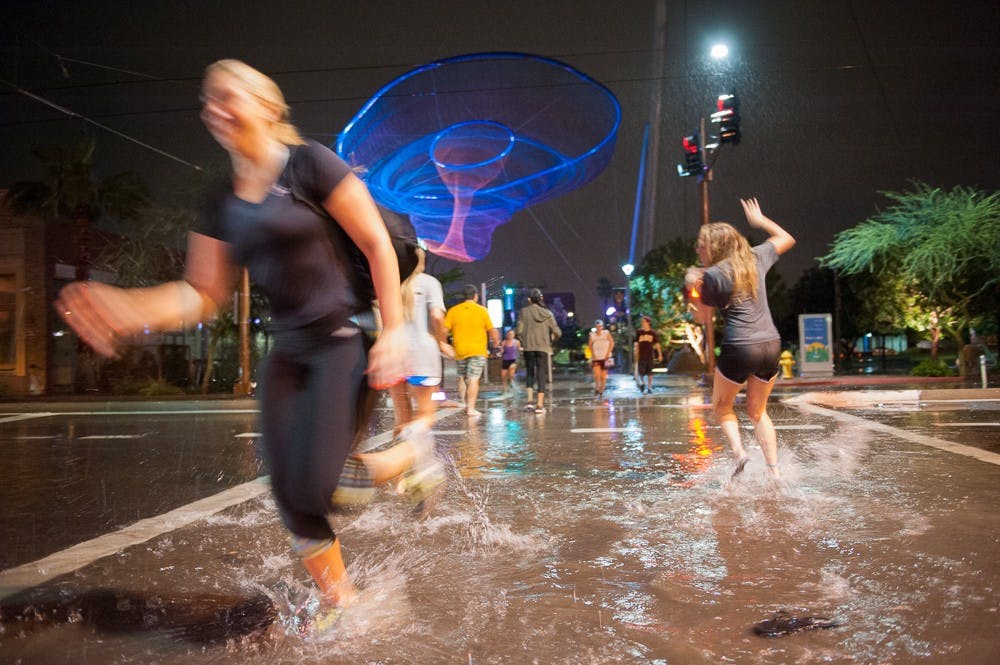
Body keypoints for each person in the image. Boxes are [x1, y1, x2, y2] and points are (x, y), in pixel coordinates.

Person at [54, 59, 443, 613]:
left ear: (267, 105)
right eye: (206, 102)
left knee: (327, 486)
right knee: (289, 494)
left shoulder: (308, 165)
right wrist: (132, 304)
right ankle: (344, 604)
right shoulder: (221, 201)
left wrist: (394, 331)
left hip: (341, 339)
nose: (213, 110)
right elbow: (201, 293)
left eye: (226, 96)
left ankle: (412, 452)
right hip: (289, 352)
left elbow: (377, 243)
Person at [685, 197, 795, 479]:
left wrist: (691, 287)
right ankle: (775, 473)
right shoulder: (756, 258)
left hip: (740, 346)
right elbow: (786, 238)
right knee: (758, 411)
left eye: (701, 245)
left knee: (722, 407)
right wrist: (760, 221)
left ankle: (739, 453)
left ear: (714, 247)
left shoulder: (712, 276)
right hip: (770, 344)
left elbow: (702, 318)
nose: (698, 249)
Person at [388, 247, 449, 437]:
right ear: (421, 263)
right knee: (426, 416)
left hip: (394, 352)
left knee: (402, 420)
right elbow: (437, 316)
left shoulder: (391, 282)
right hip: (422, 355)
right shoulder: (429, 283)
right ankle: (398, 451)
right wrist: (442, 341)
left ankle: (404, 446)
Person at [444, 284, 499, 417]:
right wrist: (496, 342)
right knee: (473, 378)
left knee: (462, 377)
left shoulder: (453, 311)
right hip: (477, 350)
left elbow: (444, 330)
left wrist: (444, 345)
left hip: (460, 350)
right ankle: (471, 409)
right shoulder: (482, 310)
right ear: (476, 296)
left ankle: (464, 402)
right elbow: (492, 330)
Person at [516, 288, 561, 413]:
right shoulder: (547, 313)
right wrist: (553, 338)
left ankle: (529, 402)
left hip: (528, 347)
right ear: (541, 299)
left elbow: (519, 331)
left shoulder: (524, 312)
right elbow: (557, 331)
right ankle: (540, 405)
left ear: (529, 299)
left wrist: (523, 339)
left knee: (530, 372)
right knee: (541, 374)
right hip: (543, 347)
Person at [633, 316, 662, 394]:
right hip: (641, 354)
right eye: (642, 322)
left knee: (650, 371)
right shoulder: (639, 332)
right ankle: (643, 383)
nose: (642, 323)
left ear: (648, 322)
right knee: (641, 371)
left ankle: (649, 387)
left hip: (649, 354)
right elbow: (636, 343)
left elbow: (657, 344)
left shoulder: (653, 333)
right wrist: (635, 351)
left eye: (644, 321)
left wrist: (660, 354)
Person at [588, 319, 614, 397]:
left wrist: (608, 353)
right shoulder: (592, 335)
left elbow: (611, 342)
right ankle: (597, 387)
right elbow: (590, 345)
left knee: (603, 376)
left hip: (606, 357)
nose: (599, 328)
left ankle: (602, 390)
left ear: (602, 327)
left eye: (600, 326)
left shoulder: (606, 333)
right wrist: (593, 354)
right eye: (597, 326)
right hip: (596, 357)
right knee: (597, 374)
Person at [499, 329, 522, 396]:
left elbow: (519, 349)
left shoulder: (517, 342)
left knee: (511, 374)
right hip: (505, 360)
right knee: (504, 377)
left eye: (512, 334)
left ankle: (512, 385)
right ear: (507, 335)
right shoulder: (504, 342)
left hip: (513, 360)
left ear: (514, 335)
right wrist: (500, 352)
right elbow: (501, 350)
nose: (510, 335)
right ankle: (504, 391)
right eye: (509, 334)